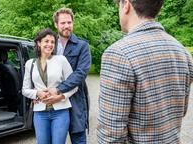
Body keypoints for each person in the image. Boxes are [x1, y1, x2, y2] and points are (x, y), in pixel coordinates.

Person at [97, 0, 193, 143]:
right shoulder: (182, 52)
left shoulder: (118, 54)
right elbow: (180, 112)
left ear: (126, 5)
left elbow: (110, 135)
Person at [43, 7, 92, 144]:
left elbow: (80, 74)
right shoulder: (49, 45)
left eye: (69, 22)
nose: (66, 26)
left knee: (78, 138)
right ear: (56, 24)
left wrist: (59, 90)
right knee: (56, 140)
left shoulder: (82, 46)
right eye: (63, 23)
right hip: (53, 100)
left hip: (75, 100)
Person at [22, 28, 77, 144]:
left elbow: (74, 86)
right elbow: (25, 90)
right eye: (46, 41)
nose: (50, 44)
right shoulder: (30, 64)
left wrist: (60, 97)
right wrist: (37, 93)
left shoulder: (61, 60)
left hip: (60, 112)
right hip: (40, 113)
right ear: (39, 43)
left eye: (52, 42)